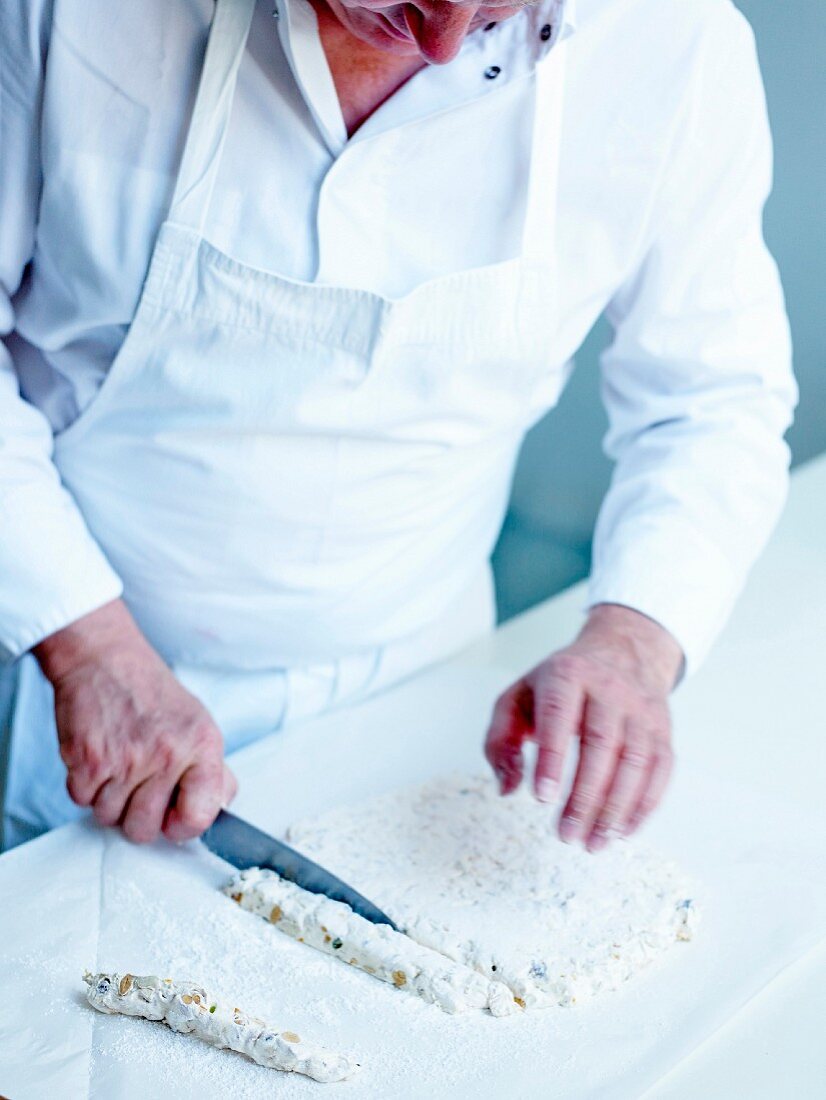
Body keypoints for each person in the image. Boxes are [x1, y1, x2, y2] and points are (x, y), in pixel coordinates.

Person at [0, 0, 795, 852]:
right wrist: (88, 647)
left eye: (496, 9)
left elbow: (711, 399)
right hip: (78, 675)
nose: (447, 43)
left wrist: (636, 637)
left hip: (424, 685)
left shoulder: (677, 42)